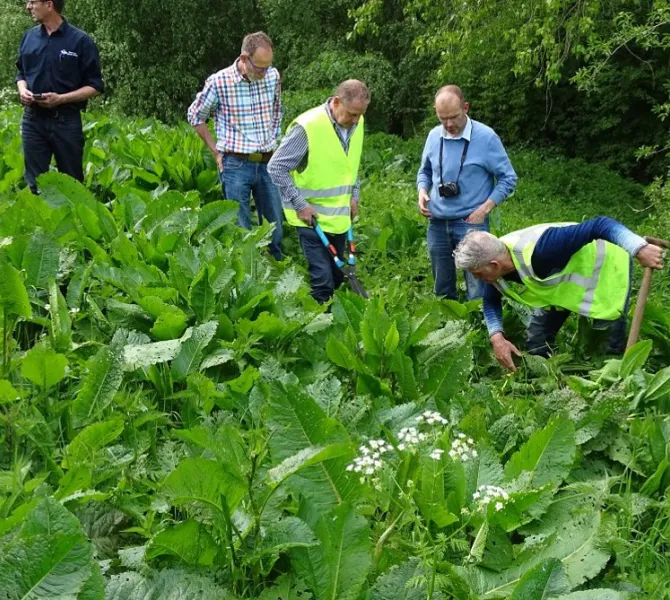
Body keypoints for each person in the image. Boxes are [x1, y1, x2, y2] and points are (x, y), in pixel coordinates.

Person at [453, 217, 666, 371]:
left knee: (605, 345)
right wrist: (496, 337)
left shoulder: (546, 248)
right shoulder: (495, 270)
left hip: (603, 273)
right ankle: (548, 381)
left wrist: (638, 248)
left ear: (494, 264)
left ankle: (614, 385)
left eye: (478, 274)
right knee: (536, 345)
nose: (477, 279)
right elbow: (491, 301)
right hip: (558, 290)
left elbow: (600, 224)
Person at [268, 80, 369, 304]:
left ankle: (331, 322)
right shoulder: (308, 127)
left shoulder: (357, 124)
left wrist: (354, 195)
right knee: (322, 282)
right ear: (336, 102)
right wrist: (300, 204)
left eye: (359, 115)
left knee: (336, 276)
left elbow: (349, 164)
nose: (355, 121)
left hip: (340, 217)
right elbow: (276, 167)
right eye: (352, 114)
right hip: (310, 218)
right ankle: (316, 328)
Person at [187, 31, 283, 260]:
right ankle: (247, 275)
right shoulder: (219, 82)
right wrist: (215, 151)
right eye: (259, 67)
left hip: (268, 161)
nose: (264, 73)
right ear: (243, 58)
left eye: (268, 67)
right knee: (240, 227)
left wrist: (275, 138)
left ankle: (276, 269)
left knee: (275, 224)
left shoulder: (272, 77)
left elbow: (277, 110)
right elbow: (195, 115)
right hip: (235, 164)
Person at [417, 85, 517, 300]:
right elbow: (424, 171)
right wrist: (422, 191)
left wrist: (485, 209)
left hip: (471, 222)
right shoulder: (434, 136)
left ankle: (480, 328)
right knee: (442, 285)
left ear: (466, 107)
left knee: (478, 288)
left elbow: (508, 178)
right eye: (442, 118)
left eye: (453, 117)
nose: (449, 124)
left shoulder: (486, 137)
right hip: (437, 222)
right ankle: (447, 329)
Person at [16, 0, 104, 194]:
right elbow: (21, 74)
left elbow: (95, 86)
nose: (28, 6)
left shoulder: (80, 41)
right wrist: (22, 90)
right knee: (35, 184)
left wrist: (61, 98)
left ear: (49, 5)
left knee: (71, 183)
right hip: (33, 120)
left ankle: (74, 223)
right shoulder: (28, 38)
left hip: (66, 121)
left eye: (32, 1)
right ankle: (40, 222)